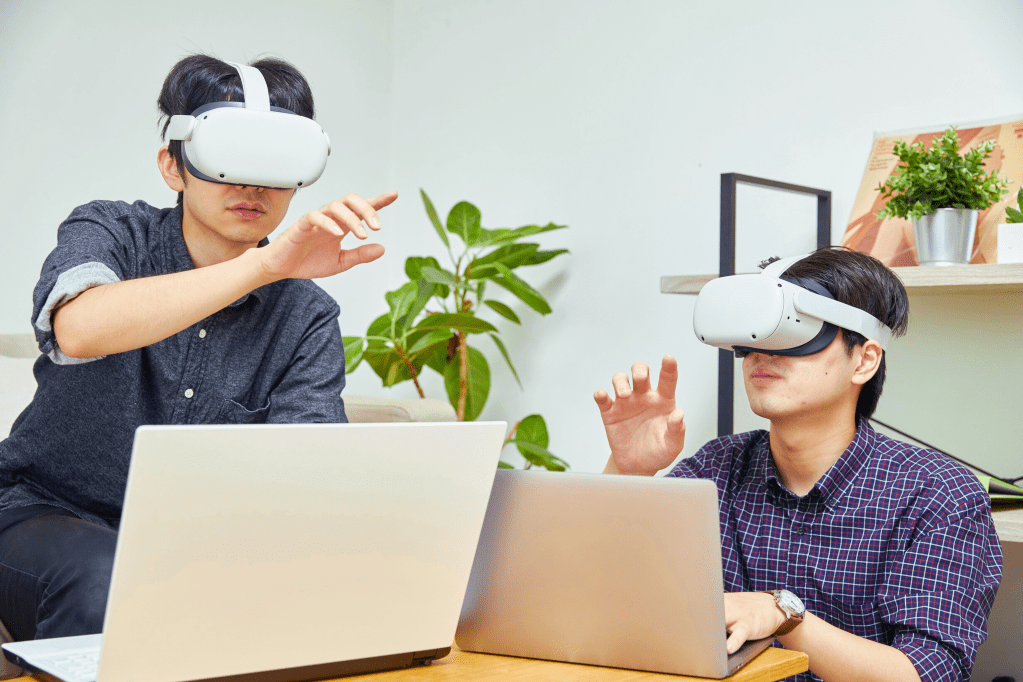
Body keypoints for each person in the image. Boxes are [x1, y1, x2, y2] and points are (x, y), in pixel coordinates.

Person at [0, 54, 396, 641]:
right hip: (43, 510)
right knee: (106, 583)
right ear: (173, 166)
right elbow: (79, 328)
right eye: (228, 158)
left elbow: (305, 470)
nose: (251, 185)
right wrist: (264, 266)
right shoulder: (109, 232)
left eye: (274, 164)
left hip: (198, 546)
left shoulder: (307, 314)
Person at [594, 248, 1001, 682]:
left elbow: (927, 674)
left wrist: (785, 616)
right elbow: (604, 596)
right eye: (757, 334)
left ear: (864, 360)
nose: (763, 354)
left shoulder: (937, 493)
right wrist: (627, 471)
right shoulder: (715, 469)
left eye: (794, 331)